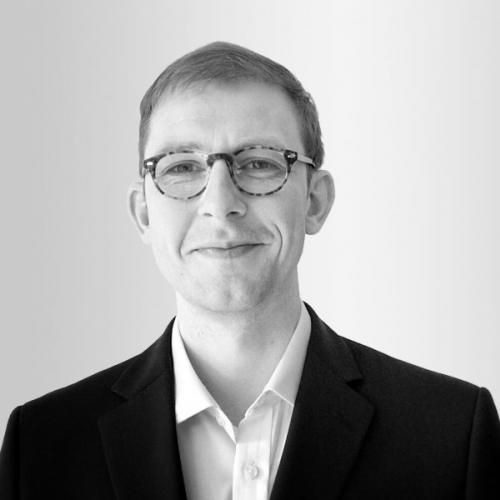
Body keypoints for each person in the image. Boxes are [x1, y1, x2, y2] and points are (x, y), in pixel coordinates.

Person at [1, 41, 499, 500]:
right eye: (181, 167)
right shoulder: (41, 446)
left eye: (259, 163)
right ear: (144, 214)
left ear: (315, 201)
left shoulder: (453, 433)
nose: (221, 204)